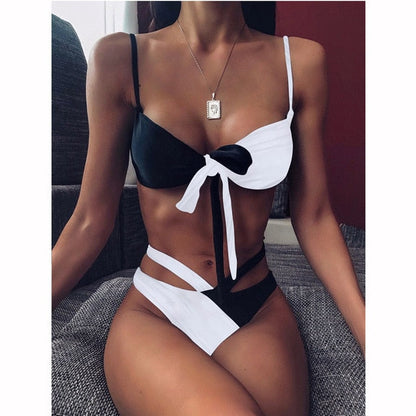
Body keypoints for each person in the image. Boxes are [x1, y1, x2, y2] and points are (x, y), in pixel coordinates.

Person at [52, 2, 365, 415]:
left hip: (256, 307)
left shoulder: (300, 64)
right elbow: (89, 221)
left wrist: (369, 332)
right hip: (158, 306)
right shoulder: (120, 59)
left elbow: (315, 215)